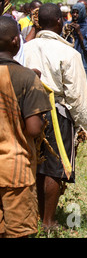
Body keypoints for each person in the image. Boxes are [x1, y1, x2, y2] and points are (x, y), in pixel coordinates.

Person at [22, 3, 87, 231]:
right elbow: (77, 95)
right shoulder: (68, 53)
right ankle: (48, 221)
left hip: (27, 111)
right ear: (60, 22)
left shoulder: (26, 48)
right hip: (56, 112)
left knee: (33, 164)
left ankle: (33, 216)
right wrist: (83, 126)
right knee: (54, 167)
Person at [0, 15, 51, 238]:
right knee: (18, 232)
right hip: (15, 170)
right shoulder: (27, 77)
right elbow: (33, 129)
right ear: (15, 41)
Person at [67, 3, 87, 107]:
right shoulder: (67, 25)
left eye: (77, 13)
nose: (75, 15)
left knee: (84, 85)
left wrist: (79, 32)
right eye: (73, 12)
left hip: (84, 61)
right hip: (70, 61)